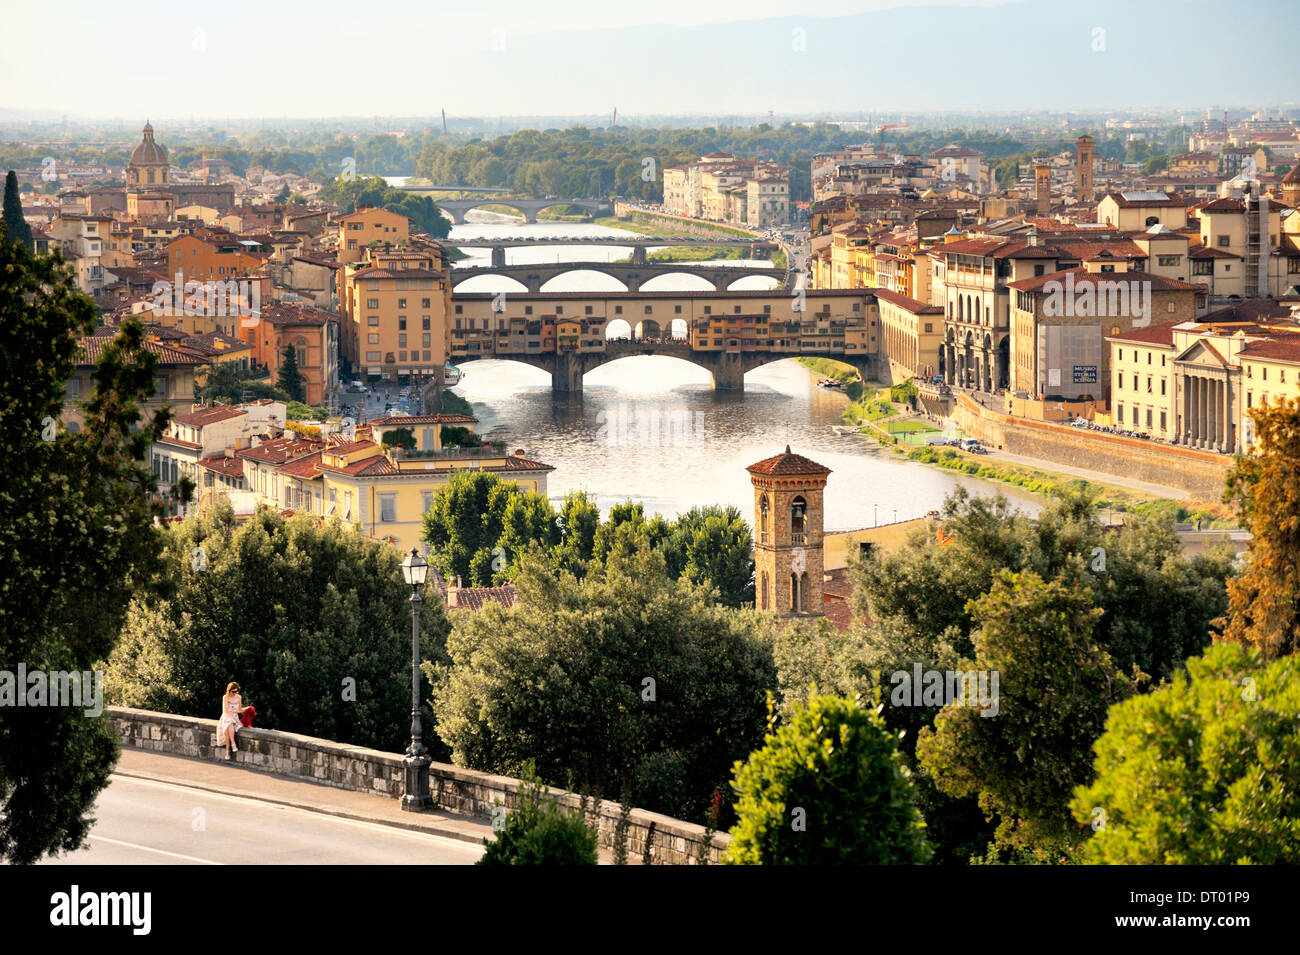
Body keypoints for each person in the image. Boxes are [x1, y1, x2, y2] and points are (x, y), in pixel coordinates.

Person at [218, 682, 248, 757]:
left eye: (236, 691)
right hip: (226, 715)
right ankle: (233, 743)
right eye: (233, 691)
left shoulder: (239, 697)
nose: (235, 693)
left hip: (234, 716)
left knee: (229, 726)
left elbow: (239, 710)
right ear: (229, 690)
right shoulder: (225, 697)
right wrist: (234, 718)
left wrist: (248, 708)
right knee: (229, 723)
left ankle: (227, 750)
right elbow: (226, 710)